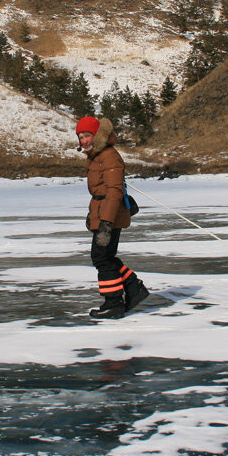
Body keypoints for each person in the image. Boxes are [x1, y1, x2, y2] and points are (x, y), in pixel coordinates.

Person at [76, 116, 149, 319]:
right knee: (105, 257)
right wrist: (94, 216)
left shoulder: (109, 156)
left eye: (87, 135)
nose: (83, 140)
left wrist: (106, 224)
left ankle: (114, 303)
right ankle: (134, 288)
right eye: (80, 137)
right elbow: (100, 191)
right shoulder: (96, 156)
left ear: (97, 135)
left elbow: (114, 191)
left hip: (111, 214)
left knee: (101, 257)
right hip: (102, 211)